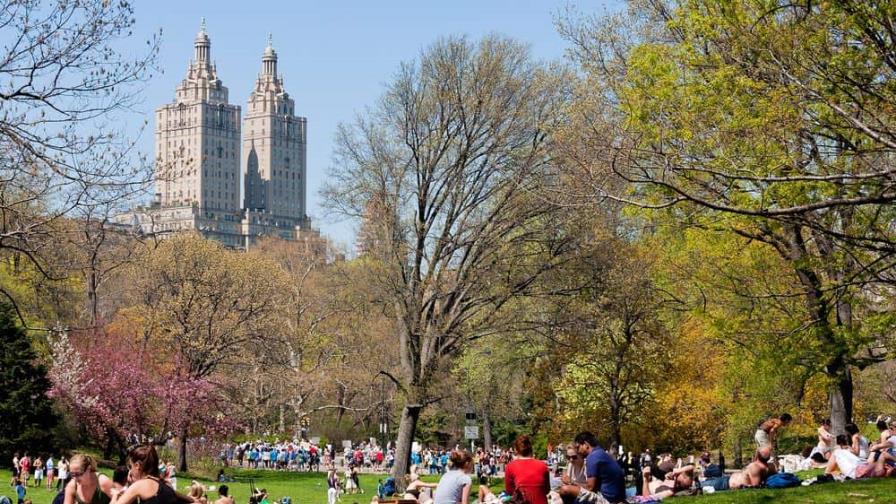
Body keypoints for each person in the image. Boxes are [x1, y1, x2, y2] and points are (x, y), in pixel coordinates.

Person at [108, 445, 189, 504]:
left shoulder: (139, 486)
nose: (130, 471)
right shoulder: (167, 485)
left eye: (130, 466)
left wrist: (115, 495)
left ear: (137, 465)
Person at [573, 432, 625, 504]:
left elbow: (590, 488)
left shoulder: (593, 456)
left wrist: (571, 482)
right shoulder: (602, 453)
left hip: (608, 500)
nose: (577, 451)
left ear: (586, 444)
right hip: (618, 498)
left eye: (578, 447)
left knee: (566, 490)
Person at [505, 435, 550, 504]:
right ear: (531, 449)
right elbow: (547, 490)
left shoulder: (510, 466)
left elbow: (510, 491)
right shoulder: (543, 465)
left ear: (516, 450)